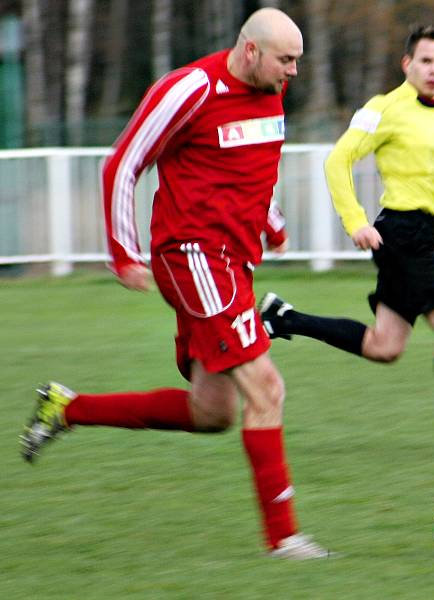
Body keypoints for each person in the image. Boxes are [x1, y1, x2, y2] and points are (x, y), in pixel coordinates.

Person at [19, 8, 332, 560]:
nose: (294, 73)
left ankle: (65, 409)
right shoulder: (191, 88)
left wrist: (273, 222)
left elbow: (251, 166)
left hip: (233, 263)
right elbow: (123, 163)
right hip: (194, 260)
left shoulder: (272, 89)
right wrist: (124, 252)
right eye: (286, 60)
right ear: (251, 51)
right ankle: (284, 538)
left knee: (211, 413)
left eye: (298, 61)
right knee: (267, 388)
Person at [260, 25, 434, 457]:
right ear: (407, 64)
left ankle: (285, 318)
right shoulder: (384, 109)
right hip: (400, 234)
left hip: (420, 234)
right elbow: (337, 160)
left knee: (386, 347)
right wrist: (356, 221)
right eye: (426, 62)